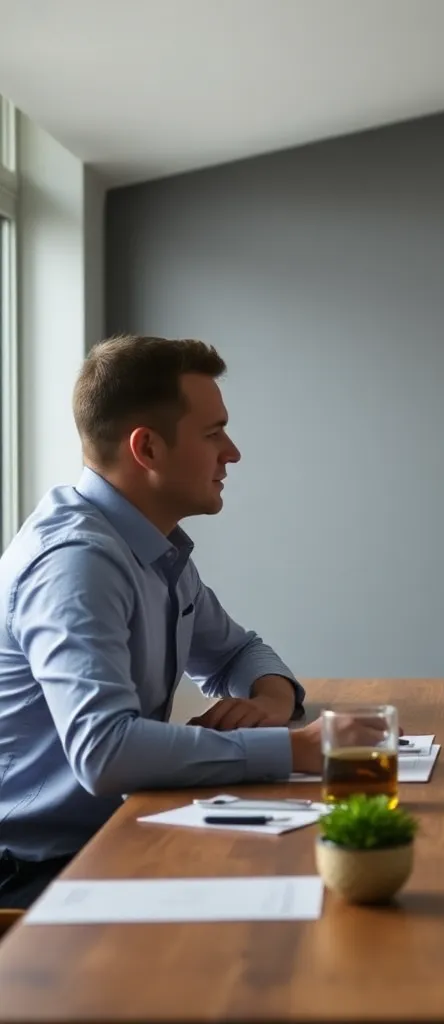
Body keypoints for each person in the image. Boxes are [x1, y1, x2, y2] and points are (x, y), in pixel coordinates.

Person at [0, 335, 327, 909]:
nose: (233, 452)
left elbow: (234, 653)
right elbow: (104, 752)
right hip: (37, 876)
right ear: (147, 449)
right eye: (212, 433)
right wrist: (296, 751)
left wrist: (270, 701)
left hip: (114, 836)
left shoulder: (152, 546)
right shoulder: (77, 562)